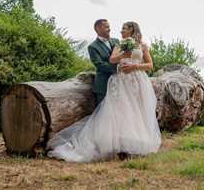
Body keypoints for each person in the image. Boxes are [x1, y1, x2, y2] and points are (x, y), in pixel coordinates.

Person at [46, 21, 161, 162]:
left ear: (132, 29)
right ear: (98, 28)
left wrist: (135, 66)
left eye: (124, 28)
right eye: (109, 27)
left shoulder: (141, 45)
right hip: (121, 82)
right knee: (120, 112)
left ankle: (137, 144)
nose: (119, 31)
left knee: (137, 111)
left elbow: (150, 65)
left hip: (138, 82)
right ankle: (119, 146)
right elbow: (111, 60)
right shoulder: (117, 44)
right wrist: (124, 55)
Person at [87, 19, 119, 106]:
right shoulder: (93, 46)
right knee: (103, 112)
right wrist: (118, 68)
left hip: (120, 83)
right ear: (98, 29)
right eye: (106, 27)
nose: (109, 29)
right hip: (103, 84)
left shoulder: (116, 41)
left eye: (109, 27)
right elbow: (99, 64)